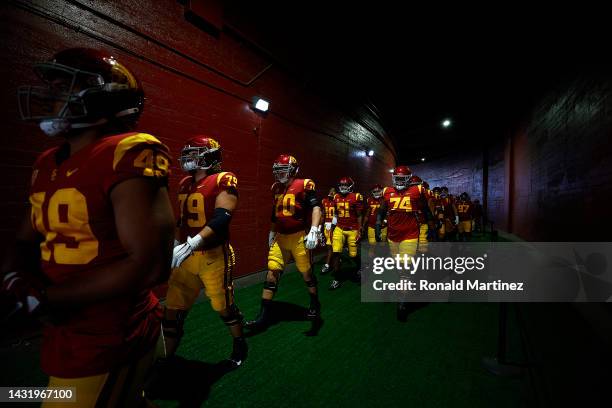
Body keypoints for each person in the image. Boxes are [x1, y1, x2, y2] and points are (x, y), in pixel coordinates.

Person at [2, 48, 175, 407]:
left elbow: (150, 264)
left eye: (64, 86)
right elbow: (24, 238)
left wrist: (47, 298)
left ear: (103, 98)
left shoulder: (127, 151)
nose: (50, 95)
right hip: (66, 327)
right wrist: (14, 277)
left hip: (111, 330)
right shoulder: (47, 161)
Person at [162, 136, 247, 369]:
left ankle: (240, 342)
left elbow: (223, 217)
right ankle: (164, 360)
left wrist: (194, 242)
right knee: (172, 310)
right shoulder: (184, 184)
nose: (189, 158)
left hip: (213, 255)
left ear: (210, 156)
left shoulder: (222, 179)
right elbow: (182, 221)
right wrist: (176, 245)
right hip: (187, 256)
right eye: (187, 154)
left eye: (194, 153)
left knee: (222, 306)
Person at [246, 154, 322, 330]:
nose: (280, 173)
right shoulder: (277, 188)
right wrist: (272, 231)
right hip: (280, 238)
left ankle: (314, 302)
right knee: (272, 274)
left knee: (306, 274)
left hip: (298, 237)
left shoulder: (304, 184)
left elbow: (316, 207)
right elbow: (275, 213)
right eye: (277, 170)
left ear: (294, 170)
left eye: (283, 169)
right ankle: (262, 316)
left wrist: (314, 229)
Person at [329, 177, 364, 290]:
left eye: (345, 185)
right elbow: (336, 214)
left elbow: (359, 215)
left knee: (353, 254)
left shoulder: (356, 197)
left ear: (350, 186)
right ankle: (337, 278)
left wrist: (359, 230)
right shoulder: (336, 197)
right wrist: (332, 226)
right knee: (336, 252)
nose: (343, 187)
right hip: (339, 228)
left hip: (352, 229)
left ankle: (360, 266)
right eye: (342, 185)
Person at [320, 188, 337, 274]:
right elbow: (323, 214)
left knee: (330, 246)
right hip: (326, 225)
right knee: (329, 246)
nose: (331, 192)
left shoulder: (337, 201)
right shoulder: (324, 201)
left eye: (333, 191)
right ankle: (336, 260)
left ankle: (327, 265)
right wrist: (320, 228)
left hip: (334, 225)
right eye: (330, 190)